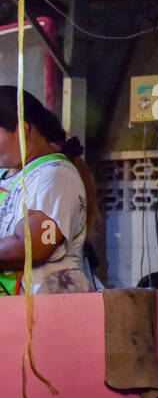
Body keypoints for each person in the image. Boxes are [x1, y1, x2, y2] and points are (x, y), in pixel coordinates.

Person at [0, 87, 99, 295]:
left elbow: (32, 247)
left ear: (23, 130)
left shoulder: (55, 175)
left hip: (46, 311)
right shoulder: (9, 175)